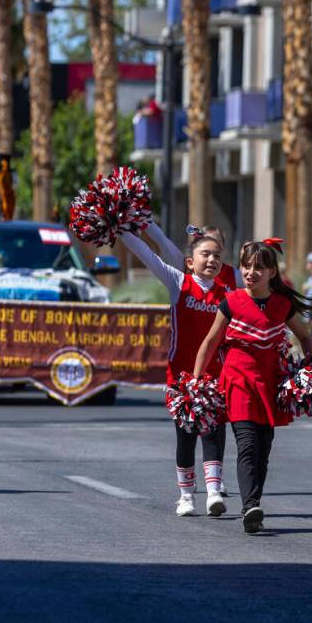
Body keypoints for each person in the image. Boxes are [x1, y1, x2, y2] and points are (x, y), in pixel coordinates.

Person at [193, 239, 312, 534]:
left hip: (271, 383)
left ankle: (254, 505)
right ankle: (250, 505)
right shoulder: (232, 301)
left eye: (258, 268)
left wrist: (309, 371)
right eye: (246, 266)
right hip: (237, 380)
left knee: (263, 448)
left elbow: (304, 337)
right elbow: (211, 341)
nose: (250, 272)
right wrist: (197, 380)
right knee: (247, 443)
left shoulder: (282, 305)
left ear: (272, 272)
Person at [119, 221, 229, 517]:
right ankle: (186, 496)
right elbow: (149, 255)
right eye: (206, 254)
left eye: (217, 256)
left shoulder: (229, 294)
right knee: (186, 435)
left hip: (214, 376)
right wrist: (120, 228)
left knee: (212, 433)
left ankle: (215, 492)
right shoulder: (178, 282)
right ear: (191, 261)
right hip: (181, 377)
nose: (212, 260)